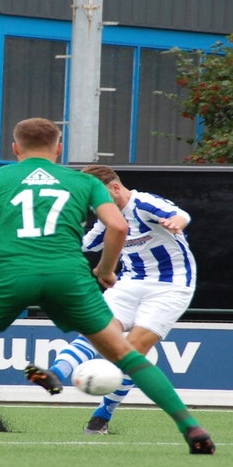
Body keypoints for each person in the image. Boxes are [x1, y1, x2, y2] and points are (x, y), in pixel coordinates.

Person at [0, 117, 214, 455]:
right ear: (59, 149)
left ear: (15, 148)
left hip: (11, 275)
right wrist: (106, 270)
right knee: (124, 354)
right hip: (69, 277)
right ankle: (190, 426)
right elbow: (118, 227)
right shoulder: (84, 181)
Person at [44, 165, 198, 435]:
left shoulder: (143, 203)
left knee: (131, 351)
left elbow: (180, 214)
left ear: (115, 188)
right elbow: (84, 245)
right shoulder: (108, 218)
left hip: (171, 285)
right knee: (97, 331)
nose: (94, 206)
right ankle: (54, 373)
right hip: (129, 283)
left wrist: (176, 223)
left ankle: (101, 416)